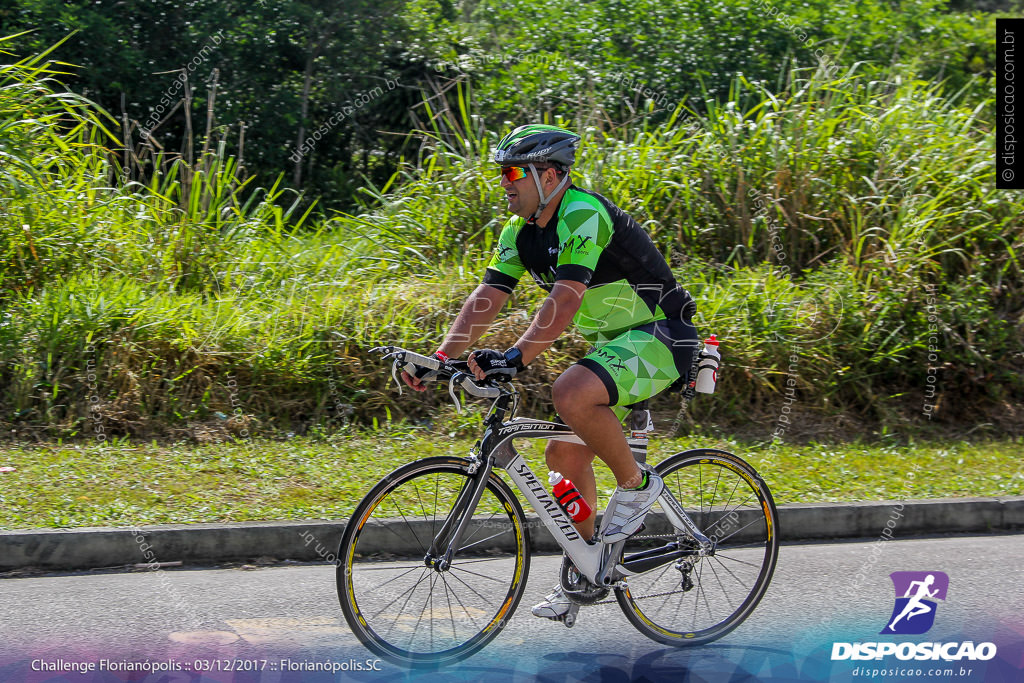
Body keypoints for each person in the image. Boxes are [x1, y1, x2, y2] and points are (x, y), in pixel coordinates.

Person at [402, 124, 699, 622]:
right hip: (616, 344)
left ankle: (637, 484)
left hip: (662, 334)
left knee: (571, 391)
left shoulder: (582, 212)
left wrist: (516, 357)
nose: (504, 182)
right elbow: (487, 300)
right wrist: (440, 360)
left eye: (514, 171)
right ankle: (586, 571)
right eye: (502, 172)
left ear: (550, 174)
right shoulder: (519, 233)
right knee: (562, 453)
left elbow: (565, 299)